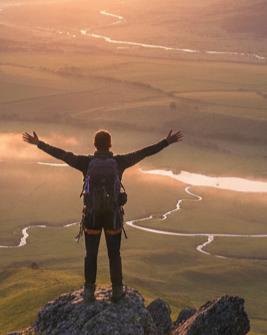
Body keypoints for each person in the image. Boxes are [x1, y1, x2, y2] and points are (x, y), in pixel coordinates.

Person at [22, 128, 183, 302]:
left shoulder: (85, 163)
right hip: (113, 217)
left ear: (95, 145)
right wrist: (166, 142)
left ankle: (89, 290)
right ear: (110, 144)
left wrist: (39, 144)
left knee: (91, 254)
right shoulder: (119, 162)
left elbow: (62, 154)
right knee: (114, 254)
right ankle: (117, 290)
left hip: (92, 217)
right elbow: (144, 153)